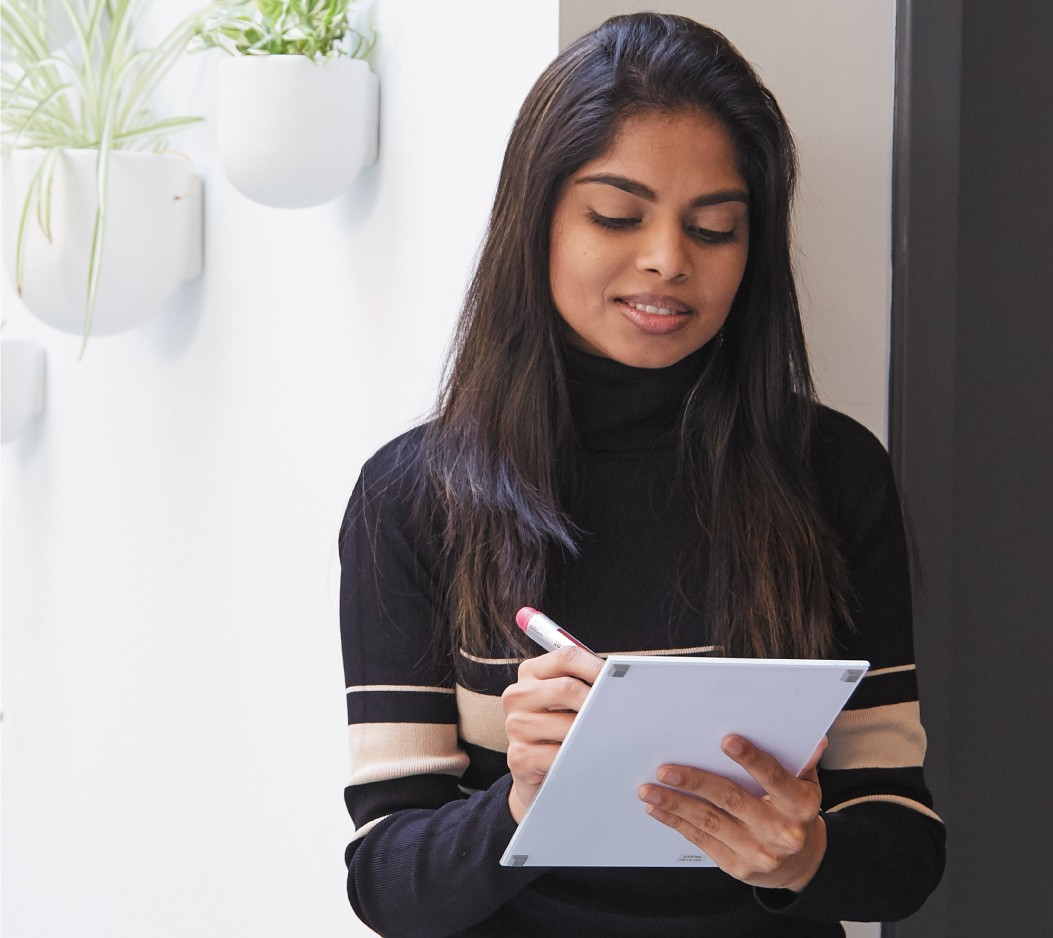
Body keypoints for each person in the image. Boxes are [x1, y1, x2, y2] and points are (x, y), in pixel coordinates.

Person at [338, 12, 944, 937]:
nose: (667, 259)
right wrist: (520, 800)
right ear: (534, 218)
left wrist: (806, 854)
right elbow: (386, 883)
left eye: (714, 229)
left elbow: (904, 845)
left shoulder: (831, 473)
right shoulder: (415, 495)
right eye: (616, 216)